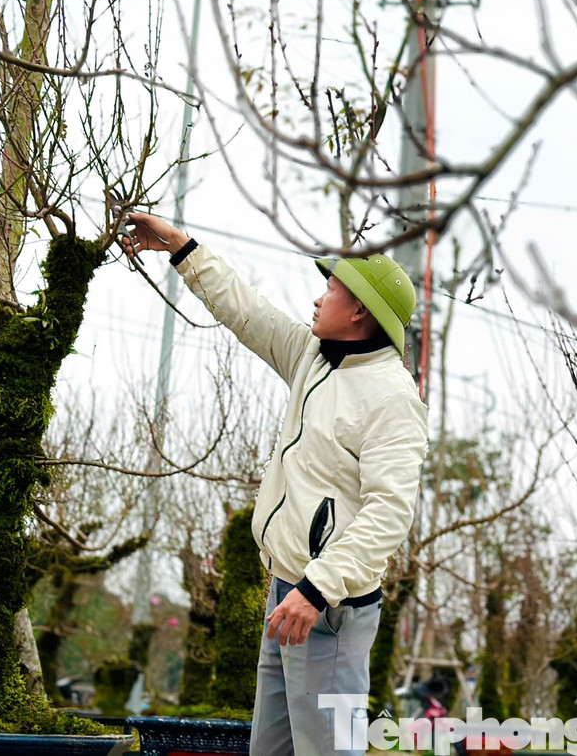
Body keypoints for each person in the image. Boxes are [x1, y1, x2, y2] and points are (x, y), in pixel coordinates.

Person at [121, 214, 429, 756]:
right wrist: (182, 247)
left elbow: (389, 513)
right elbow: (248, 312)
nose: (318, 299)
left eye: (330, 289)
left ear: (359, 310)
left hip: (328, 608)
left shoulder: (392, 397)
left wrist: (316, 590)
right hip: (286, 592)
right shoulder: (316, 360)